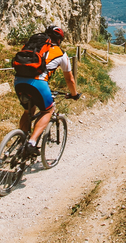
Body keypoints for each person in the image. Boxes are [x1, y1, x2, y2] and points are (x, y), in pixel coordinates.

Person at [13, 25, 80, 157]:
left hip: (18, 81)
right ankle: (31, 143)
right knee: (48, 110)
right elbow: (70, 79)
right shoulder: (61, 54)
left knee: (29, 110)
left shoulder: (34, 47)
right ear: (60, 40)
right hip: (38, 83)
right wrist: (74, 94)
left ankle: (22, 141)